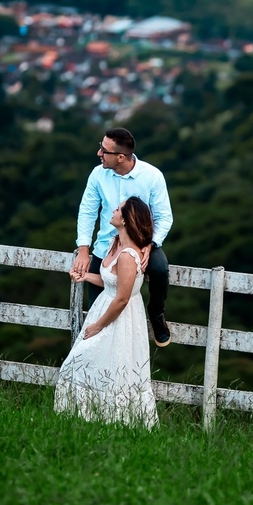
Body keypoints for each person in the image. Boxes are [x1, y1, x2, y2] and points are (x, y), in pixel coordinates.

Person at [55, 197, 158, 428]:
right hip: (104, 306)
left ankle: (115, 422)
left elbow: (122, 297)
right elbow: (110, 281)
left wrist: (99, 325)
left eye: (118, 209)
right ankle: (87, 421)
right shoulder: (115, 243)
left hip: (118, 316)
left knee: (96, 364)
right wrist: (85, 277)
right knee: (94, 365)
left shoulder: (128, 256)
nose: (113, 211)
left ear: (125, 219)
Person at [73, 127, 174, 347]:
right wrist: (83, 249)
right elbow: (87, 210)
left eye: (103, 150)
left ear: (120, 157)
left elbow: (164, 217)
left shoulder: (152, 176)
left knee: (159, 269)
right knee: (96, 305)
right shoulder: (97, 174)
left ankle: (156, 314)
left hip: (143, 242)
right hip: (105, 248)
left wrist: (151, 243)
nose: (99, 153)